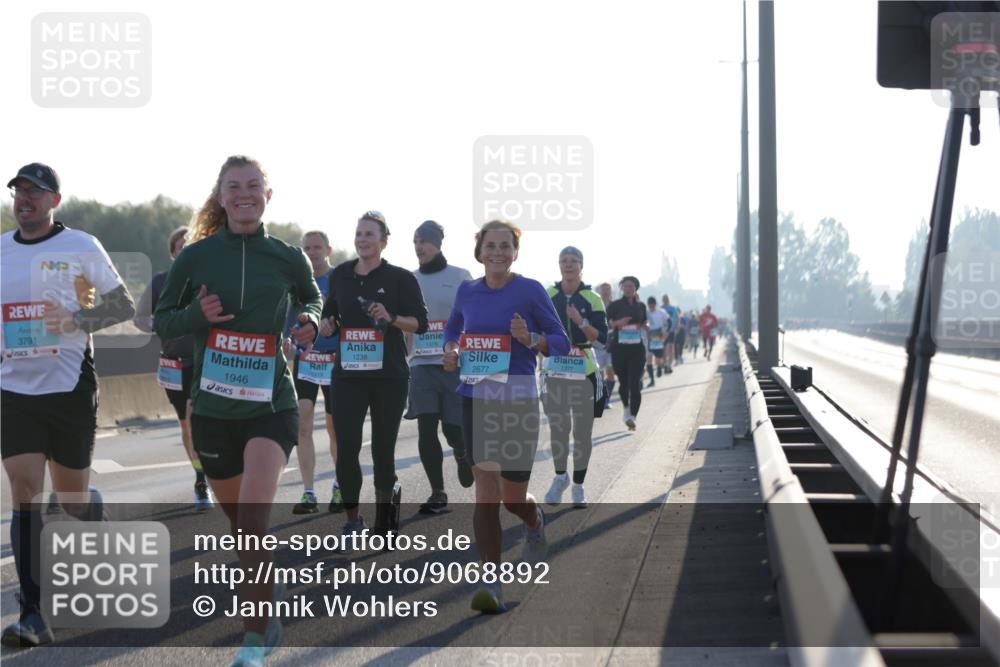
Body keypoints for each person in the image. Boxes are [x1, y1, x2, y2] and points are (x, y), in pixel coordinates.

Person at [154, 155, 322, 666]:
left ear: (267, 196)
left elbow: (311, 298)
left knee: (251, 522)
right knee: (242, 528)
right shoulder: (196, 257)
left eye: (253, 186)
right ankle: (266, 595)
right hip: (212, 409)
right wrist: (195, 314)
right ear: (221, 196)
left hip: (270, 403)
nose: (244, 194)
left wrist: (310, 321)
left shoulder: (288, 256)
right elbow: (163, 321)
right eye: (234, 186)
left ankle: (254, 637)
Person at [2, 163, 135, 647]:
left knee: (73, 500)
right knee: (25, 492)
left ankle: (91, 512)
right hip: (14, 391)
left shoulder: (80, 246)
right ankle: (33, 614)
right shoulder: (0, 250)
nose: (25, 199)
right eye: (19, 191)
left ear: (54, 200)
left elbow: (121, 305)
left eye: (35, 192)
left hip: (69, 389)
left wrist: (76, 319)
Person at [442, 219, 570, 613]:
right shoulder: (467, 291)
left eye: (505, 246)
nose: (497, 252)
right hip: (476, 396)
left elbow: (561, 341)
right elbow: (452, 330)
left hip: (517, 400)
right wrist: (451, 351)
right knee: (486, 490)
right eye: (490, 245)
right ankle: (491, 583)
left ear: (515, 252)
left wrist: (530, 339)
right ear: (479, 251)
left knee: (512, 498)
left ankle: (534, 521)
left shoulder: (529, 290)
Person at [319, 211, 428, 544]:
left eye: (369, 234)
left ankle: (385, 515)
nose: (362, 239)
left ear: (384, 241)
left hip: (388, 376)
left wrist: (391, 317)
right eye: (359, 234)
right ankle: (352, 521)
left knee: (382, 450)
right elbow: (329, 314)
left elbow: (420, 324)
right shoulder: (341, 275)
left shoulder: (400, 278)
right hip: (348, 375)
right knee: (347, 446)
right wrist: (327, 325)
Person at [134, 226, 214, 512]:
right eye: (181, 247)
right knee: (187, 426)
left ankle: (213, 475)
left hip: (207, 362)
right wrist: (160, 325)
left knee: (199, 418)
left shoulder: (211, 279)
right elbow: (140, 318)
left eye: (192, 245)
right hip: (174, 364)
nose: (186, 250)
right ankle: (200, 478)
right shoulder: (161, 282)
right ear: (173, 252)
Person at [407, 220, 474, 514]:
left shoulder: (460, 276)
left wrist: (460, 349)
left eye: (423, 241)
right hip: (420, 363)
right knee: (426, 427)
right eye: (415, 242)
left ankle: (461, 452)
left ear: (437, 243)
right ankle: (437, 491)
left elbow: (473, 317)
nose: (418, 247)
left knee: (452, 429)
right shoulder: (408, 279)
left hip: (453, 364)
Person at [541, 246, 607, 509]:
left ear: (581, 266)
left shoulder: (593, 298)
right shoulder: (548, 295)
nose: (568, 265)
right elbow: (537, 330)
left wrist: (580, 321)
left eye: (574, 261)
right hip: (555, 371)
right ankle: (560, 477)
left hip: (584, 372)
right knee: (558, 428)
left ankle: (578, 485)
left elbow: (601, 340)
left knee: (582, 432)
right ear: (559, 265)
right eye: (564, 261)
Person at [281, 230, 340, 515]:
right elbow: (288, 317)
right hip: (306, 360)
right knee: (303, 424)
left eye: (317, 247)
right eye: (307, 248)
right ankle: (309, 492)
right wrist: (286, 340)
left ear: (328, 250)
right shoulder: (298, 281)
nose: (312, 252)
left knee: (334, 427)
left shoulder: (338, 279)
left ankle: (340, 486)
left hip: (335, 360)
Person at [606, 276, 647, 431]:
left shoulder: (641, 306)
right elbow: (607, 322)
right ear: (622, 288)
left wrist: (646, 325)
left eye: (631, 286)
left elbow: (644, 321)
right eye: (625, 286)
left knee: (635, 384)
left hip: (637, 349)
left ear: (636, 288)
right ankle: (626, 409)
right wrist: (618, 323)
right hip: (619, 348)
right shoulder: (615, 305)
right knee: (623, 384)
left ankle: (632, 417)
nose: (628, 289)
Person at [594, 282, 616, 408]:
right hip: (598, 343)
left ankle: (607, 399)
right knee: (600, 372)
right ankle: (602, 399)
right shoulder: (595, 304)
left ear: (611, 291)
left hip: (612, 343)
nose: (606, 291)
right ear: (600, 291)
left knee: (611, 373)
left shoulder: (615, 306)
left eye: (608, 289)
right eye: (604, 289)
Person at [645, 296, 668, 387]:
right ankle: (652, 380)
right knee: (649, 359)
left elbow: (669, 322)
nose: (651, 307)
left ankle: (659, 367)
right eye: (650, 306)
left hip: (659, 336)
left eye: (653, 305)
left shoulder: (661, 312)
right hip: (649, 337)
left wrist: (666, 332)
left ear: (655, 304)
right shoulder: (646, 313)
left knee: (658, 359)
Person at [661, 294, 680, 374]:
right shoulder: (660, 308)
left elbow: (677, 318)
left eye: (666, 298)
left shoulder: (673, 308)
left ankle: (669, 365)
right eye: (664, 298)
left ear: (668, 299)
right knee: (664, 349)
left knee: (671, 348)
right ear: (662, 300)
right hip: (663, 331)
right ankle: (665, 364)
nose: (665, 300)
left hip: (671, 331)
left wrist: (677, 327)